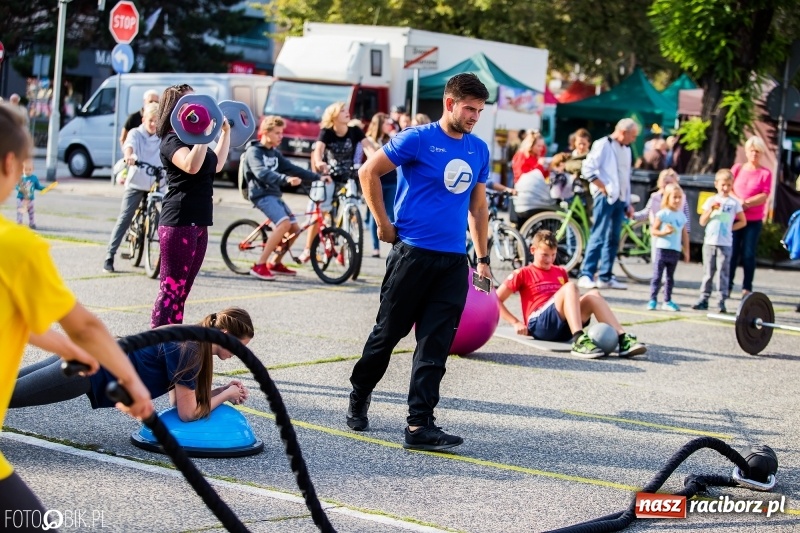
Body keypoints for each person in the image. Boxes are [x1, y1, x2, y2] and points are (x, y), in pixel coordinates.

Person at [0, 102, 153, 527]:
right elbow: (85, 325)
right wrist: (131, 383)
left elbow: (14, 316)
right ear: (10, 164)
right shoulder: (16, 247)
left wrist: (62, 347)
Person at [346, 73, 491, 452]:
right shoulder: (417, 138)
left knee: (435, 345)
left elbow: (478, 208)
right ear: (449, 103)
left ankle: (419, 424)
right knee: (386, 336)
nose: (474, 117)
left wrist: (483, 258)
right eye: (469, 109)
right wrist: (383, 224)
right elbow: (368, 171)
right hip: (411, 255)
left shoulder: (478, 150)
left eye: (479, 110)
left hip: (453, 262)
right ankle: (360, 392)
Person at [11, 308, 253, 421]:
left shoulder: (190, 337)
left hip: (86, 353)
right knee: (8, 394)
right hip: (88, 368)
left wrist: (220, 391)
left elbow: (177, 401)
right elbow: (187, 413)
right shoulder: (190, 351)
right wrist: (227, 395)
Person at [151, 83, 231, 328]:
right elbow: (191, 166)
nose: (197, 106)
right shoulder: (171, 139)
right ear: (175, 109)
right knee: (171, 289)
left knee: (183, 289)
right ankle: (157, 340)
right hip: (179, 220)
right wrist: (203, 134)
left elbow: (216, 165)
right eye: (189, 102)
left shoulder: (196, 140)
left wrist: (225, 132)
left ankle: (173, 339)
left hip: (199, 222)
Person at [497, 230, 646, 358]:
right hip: (540, 325)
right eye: (545, 255)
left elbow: (569, 301)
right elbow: (495, 299)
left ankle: (622, 338)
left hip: (563, 328)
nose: (549, 260)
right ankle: (579, 339)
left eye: (553, 255)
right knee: (570, 287)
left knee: (594, 294)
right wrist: (515, 322)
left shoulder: (560, 271)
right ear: (532, 250)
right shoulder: (522, 273)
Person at [243, 115, 331, 280]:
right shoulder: (254, 151)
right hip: (261, 194)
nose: (281, 136)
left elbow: (293, 168)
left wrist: (318, 177)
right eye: (277, 133)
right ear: (265, 132)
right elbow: (261, 172)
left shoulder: (274, 153)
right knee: (284, 224)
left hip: (274, 194)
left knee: (295, 229)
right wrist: (285, 179)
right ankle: (260, 265)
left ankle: (275, 263)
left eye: (281, 133)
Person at [300, 101, 375, 263]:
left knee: (353, 209)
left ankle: (344, 250)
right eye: (342, 111)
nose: (347, 112)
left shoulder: (355, 131)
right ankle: (307, 249)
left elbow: (369, 148)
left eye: (347, 110)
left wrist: (375, 160)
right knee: (321, 212)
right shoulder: (327, 132)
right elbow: (318, 150)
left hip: (349, 176)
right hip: (330, 176)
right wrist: (319, 162)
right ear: (333, 115)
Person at [577, 118, 639, 290]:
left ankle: (605, 276)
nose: (633, 139)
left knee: (613, 238)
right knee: (598, 234)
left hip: (619, 198)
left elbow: (625, 176)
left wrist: (627, 202)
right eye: (632, 135)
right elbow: (588, 168)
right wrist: (602, 186)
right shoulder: (603, 144)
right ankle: (586, 273)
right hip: (605, 197)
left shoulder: (626, 149)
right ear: (623, 132)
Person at [103, 102, 163, 274]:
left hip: (157, 183)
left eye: (157, 121)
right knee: (126, 216)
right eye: (150, 120)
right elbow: (129, 145)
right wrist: (129, 156)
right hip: (137, 181)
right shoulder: (136, 133)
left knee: (164, 218)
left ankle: (163, 257)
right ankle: (109, 255)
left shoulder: (163, 136)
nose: (153, 124)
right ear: (143, 120)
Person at [691, 169, 747, 314]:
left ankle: (721, 301)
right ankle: (704, 298)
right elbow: (702, 221)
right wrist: (710, 210)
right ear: (716, 184)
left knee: (723, 273)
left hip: (725, 243)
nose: (725, 188)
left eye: (729, 185)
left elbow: (743, 221)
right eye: (723, 185)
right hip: (710, 241)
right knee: (708, 272)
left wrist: (731, 228)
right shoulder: (711, 200)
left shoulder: (734, 203)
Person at [729, 136, 773, 297]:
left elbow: (765, 194)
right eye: (752, 151)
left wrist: (747, 203)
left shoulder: (765, 173)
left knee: (748, 254)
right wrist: (739, 201)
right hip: (736, 217)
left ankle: (747, 287)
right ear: (747, 152)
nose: (754, 154)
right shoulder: (738, 169)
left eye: (758, 151)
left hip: (753, 220)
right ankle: (727, 284)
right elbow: (728, 188)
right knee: (732, 252)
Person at [648, 183, 689, 311]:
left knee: (670, 277)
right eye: (674, 197)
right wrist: (663, 232)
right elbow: (653, 231)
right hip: (662, 249)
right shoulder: (662, 214)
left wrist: (686, 251)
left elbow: (685, 234)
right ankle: (653, 299)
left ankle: (667, 300)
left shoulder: (681, 216)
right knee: (657, 276)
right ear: (667, 198)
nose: (677, 200)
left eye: (679, 197)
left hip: (675, 250)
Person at [362, 112, 397, 258]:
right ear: (379, 124)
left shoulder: (390, 139)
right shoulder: (369, 140)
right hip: (377, 182)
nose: (389, 126)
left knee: (391, 213)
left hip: (392, 181)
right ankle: (375, 247)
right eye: (386, 123)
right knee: (375, 215)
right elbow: (372, 160)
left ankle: (394, 245)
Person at [15, 159, 45, 229]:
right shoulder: (20, 178)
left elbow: (37, 186)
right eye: (25, 169)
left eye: (30, 169)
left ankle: (32, 223)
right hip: (21, 198)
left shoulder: (34, 178)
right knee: (20, 211)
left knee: (31, 212)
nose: (28, 171)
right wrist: (21, 189)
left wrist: (44, 188)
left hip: (30, 199)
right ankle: (19, 223)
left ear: (33, 169)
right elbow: (17, 187)